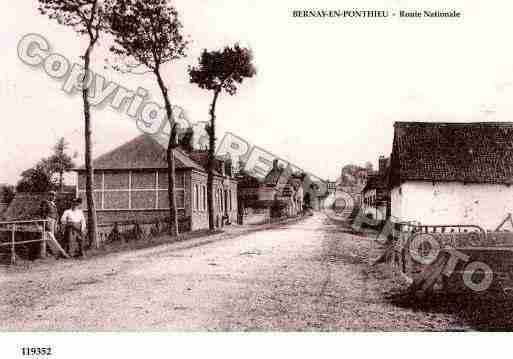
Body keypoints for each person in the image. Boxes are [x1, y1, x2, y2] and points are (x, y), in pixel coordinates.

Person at [40, 191, 69, 259]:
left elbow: (56, 214)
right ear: (48, 195)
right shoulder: (46, 203)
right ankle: (58, 252)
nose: (53, 197)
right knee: (50, 236)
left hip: (54, 221)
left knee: (52, 236)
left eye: (54, 196)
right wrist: (46, 221)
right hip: (49, 220)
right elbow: (43, 213)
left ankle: (55, 252)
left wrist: (57, 222)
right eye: (51, 195)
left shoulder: (53, 204)